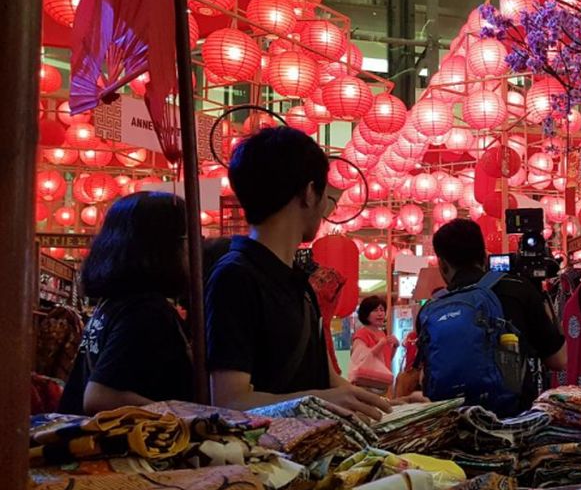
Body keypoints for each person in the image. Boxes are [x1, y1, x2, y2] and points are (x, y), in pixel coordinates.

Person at [205, 127, 392, 420]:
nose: (324, 208)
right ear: (308, 193)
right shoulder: (235, 276)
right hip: (267, 462)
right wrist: (320, 400)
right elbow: (231, 401)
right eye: (326, 196)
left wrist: (400, 407)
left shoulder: (300, 281)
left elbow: (329, 381)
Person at [59, 192, 193, 414]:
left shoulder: (115, 304)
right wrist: (185, 415)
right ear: (164, 246)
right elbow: (100, 396)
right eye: (189, 239)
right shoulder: (145, 311)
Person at [418, 219, 566, 412]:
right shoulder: (519, 290)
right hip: (513, 423)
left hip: (450, 424)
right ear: (484, 255)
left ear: (442, 264)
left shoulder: (431, 309)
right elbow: (559, 361)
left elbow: (425, 378)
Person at [350, 295, 398, 385]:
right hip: (368, 384)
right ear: (366, 314)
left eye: (382, 310)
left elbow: (386, 360)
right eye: (375, 310)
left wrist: (395, 346)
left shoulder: (382, 333)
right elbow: (360, 361)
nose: (380, 314)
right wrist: (380, 344)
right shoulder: (361, 335)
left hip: (383, 382)